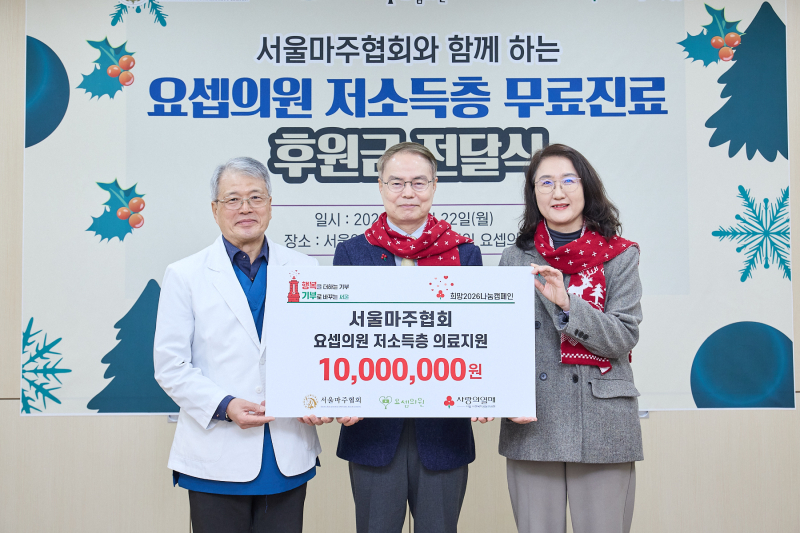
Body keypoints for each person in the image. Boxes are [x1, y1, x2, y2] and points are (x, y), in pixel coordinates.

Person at [154, 157, 331, 533]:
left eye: (256, 197)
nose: (246, 208)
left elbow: (320, 353)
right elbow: (170, 365)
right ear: (214, 209)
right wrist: (224, 405)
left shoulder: (305, 269)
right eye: (233, 199)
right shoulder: (184, 275)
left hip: (286, 450)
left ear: (270, 204)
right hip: (216, 453)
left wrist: (320, 397)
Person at [333, 142, 489, 533]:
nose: (408, 192)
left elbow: (480, 335)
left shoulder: (465, 254)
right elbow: (337, 334)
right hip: (371, 430)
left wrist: (488, 391)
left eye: (418, 182)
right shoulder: (352, 254)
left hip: (443, 431)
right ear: (381, 186)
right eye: (397, 182)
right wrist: (337, 393)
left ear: (434, 186)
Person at [499, 144, 643, 533]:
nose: (557, 192)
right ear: (533, 193)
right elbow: (501, 343)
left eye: (567, 181)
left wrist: (567, 305)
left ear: (586, 187)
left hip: (602, 420)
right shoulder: (515, 258)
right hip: (533, 419)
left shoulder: (619, 255)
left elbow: (623, 336)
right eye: (545, 183)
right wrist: (499, 396)